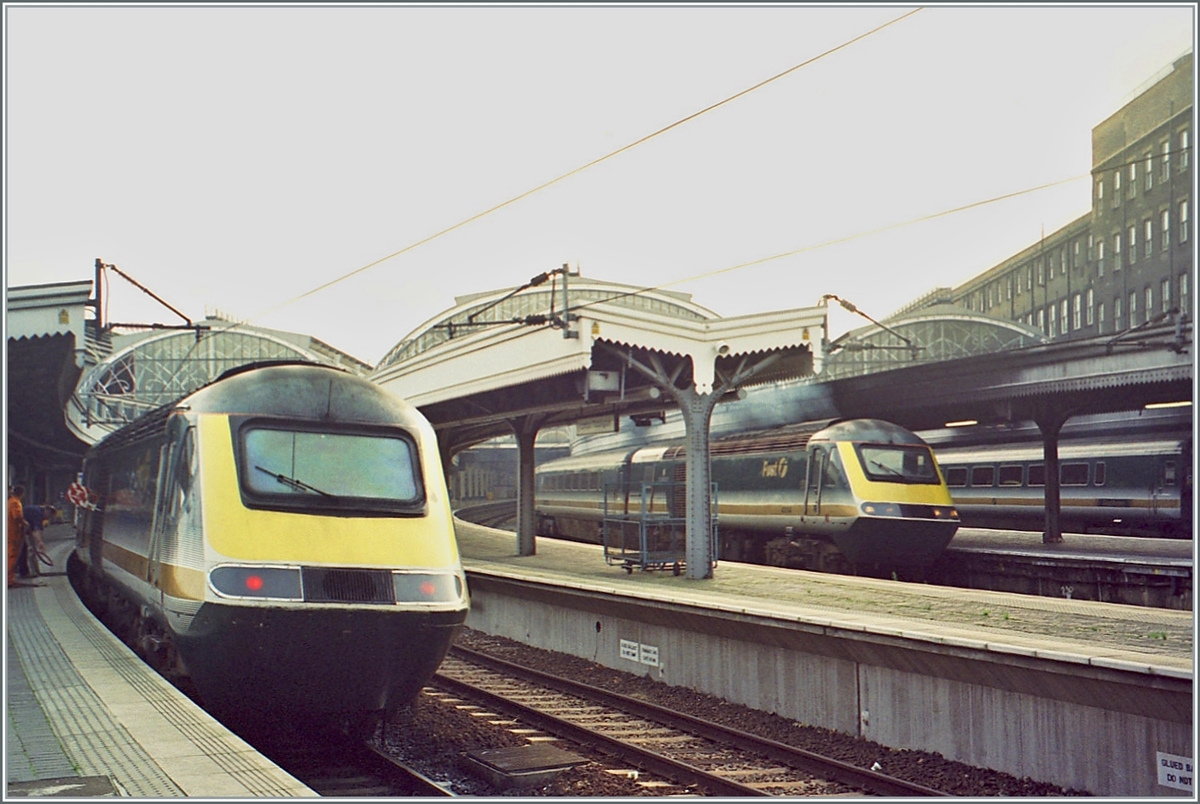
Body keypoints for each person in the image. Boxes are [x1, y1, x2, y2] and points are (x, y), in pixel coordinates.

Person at [8, 485, 28, 588]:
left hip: (9, 531)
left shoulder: (9, 501)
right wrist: (24, 523)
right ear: (22, 494)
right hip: (13, 533)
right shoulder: (16, 503)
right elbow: (17, 516)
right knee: (12, 555)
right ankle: (9, 579)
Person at [22, 500, 47, 578]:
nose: (46, 519)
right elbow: (37, 530)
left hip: (23, 529)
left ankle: (33, 571)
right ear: (47, 512)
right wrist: (40, 542)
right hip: (16, 529)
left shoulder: (38, 511)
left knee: (27, 550)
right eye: (48, 517)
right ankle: (26, 572)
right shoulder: (38, 514)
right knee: (25, 550)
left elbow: (37, 530)